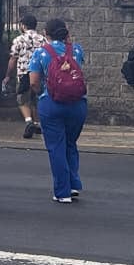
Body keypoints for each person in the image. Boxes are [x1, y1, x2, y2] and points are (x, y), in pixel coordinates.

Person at [27, 18, 87, 203]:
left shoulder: (40, 53)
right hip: (77, 103)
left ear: (46, 33)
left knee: (56, 147)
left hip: (51, 103)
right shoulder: (76, 50)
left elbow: (34, 82)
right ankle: (73, 184)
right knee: (70, 143)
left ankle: (63, 192)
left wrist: (42, 94)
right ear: (66, 31)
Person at [4, 14, 46, 140]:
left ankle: (28, 122)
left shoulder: (19, 40)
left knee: (22, 99)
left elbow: (13, 58)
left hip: (23, 73)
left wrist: (7, 75)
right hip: (39, 73)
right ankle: (37, 124)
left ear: (23, 25)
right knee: (36, 99)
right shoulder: (43, 39)